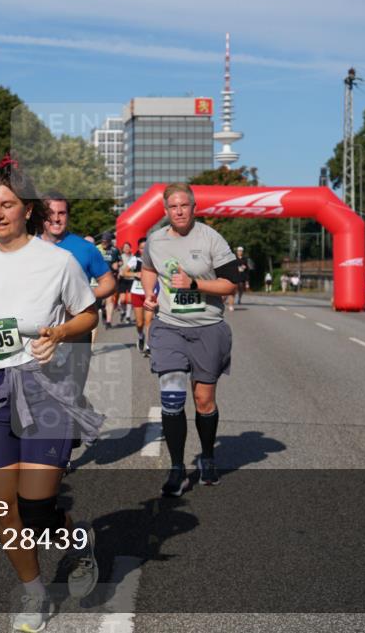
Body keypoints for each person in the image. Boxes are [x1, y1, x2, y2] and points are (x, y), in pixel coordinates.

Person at [0, 155, 101, 632]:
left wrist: (60, 333)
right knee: (4, 506)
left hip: (46, 386)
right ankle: (34, 592)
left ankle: (79, 544)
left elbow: (89, 313)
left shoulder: (57, 262)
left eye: (7, 205)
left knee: (36, 507)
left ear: (28, 209)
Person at [141, 183, 238, 497]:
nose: (179, 211)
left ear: (194, 208)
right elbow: (148, 268)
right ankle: (177, 469)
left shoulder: (211, 238)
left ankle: (207, 457)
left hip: (207, 327)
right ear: (166, 210)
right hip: (169, 327)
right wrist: (149, 293)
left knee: (203, 400)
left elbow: (230, 284)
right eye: (173, 207)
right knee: (171, 397)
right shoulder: (155, 240)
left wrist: (195, 283)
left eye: (184, 206)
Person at [41, 190, 116, 393]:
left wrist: (84, 298)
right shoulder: (29, 247)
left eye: (62, 213)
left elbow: (109, 283)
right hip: (39, 333)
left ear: (68, 216)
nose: (56, 218)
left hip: (76, 331)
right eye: (50, 213)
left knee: (71, 394)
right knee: (38, 394)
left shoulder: (85, 248)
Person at [122, 237, 150, 354]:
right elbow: (124, 272)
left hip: (149, 293)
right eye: (142, 248)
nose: (144, 250)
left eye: (146, 247)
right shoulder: (135, 259)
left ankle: (148, 346)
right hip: (137, 292)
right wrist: (135, 274)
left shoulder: (153, 257)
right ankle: (140, 336)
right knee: (140, 323)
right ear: (138, 248)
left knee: (149, 320)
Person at [96, 233, 121, 327]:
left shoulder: (115, 250)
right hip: (97, 277)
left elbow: (120, 261)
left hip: (110, 276)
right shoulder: (96, 248)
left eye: (106, 242)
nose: (104, 243)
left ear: (110, 241)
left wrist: (117, 265)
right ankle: (103, 310)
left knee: (109, 299)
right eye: (103, 241)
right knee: (99, 300)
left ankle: (108, 321)